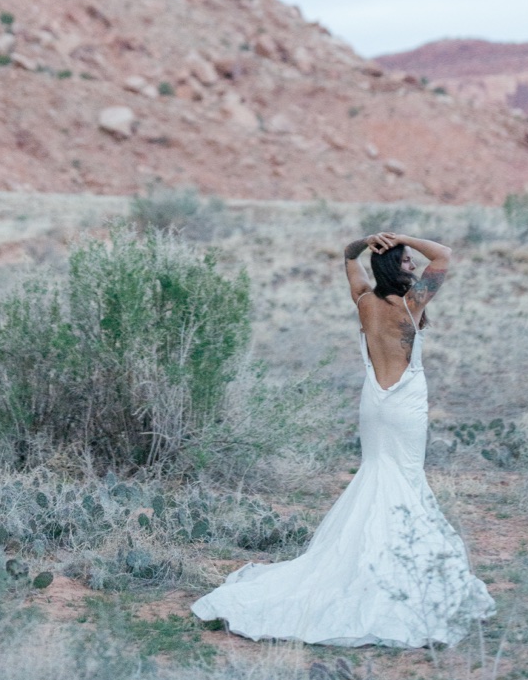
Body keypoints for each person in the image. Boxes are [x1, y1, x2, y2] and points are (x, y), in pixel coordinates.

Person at [191, 231, 495, 647]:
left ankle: (366, 562)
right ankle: (395, 571)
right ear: (396, 268)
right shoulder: (410, 305)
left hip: (374, 404)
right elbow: (444, 254)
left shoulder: (365, 303)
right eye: (406, 262)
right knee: (403, 478)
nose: (411, 267)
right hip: (405, 407)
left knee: (376, 475)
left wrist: (367, 242)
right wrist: (402, 237)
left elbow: (348, 258)